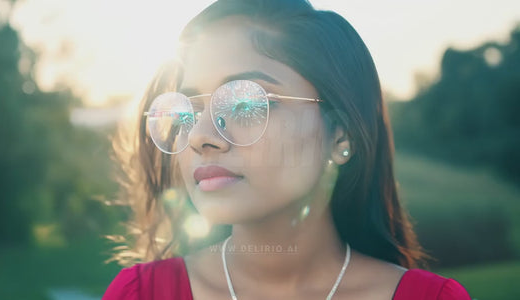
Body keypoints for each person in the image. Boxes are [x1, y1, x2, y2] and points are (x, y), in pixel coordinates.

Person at [103, 0, 471, 299]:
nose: (200, 136)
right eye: (189, 109)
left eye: (246, 104)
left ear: (341, 134)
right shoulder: (141, 293)